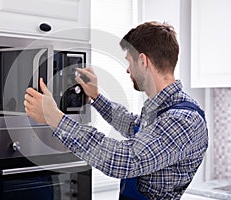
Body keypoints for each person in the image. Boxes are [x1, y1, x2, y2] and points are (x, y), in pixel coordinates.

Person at [24, 21, 208, 199]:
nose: (128, 70)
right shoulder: (163, 108)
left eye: (129, 61)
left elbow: (125, 160)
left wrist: (55, 118)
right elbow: (132, 125)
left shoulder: (183, 120)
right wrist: (96, 97)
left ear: (143, 60)